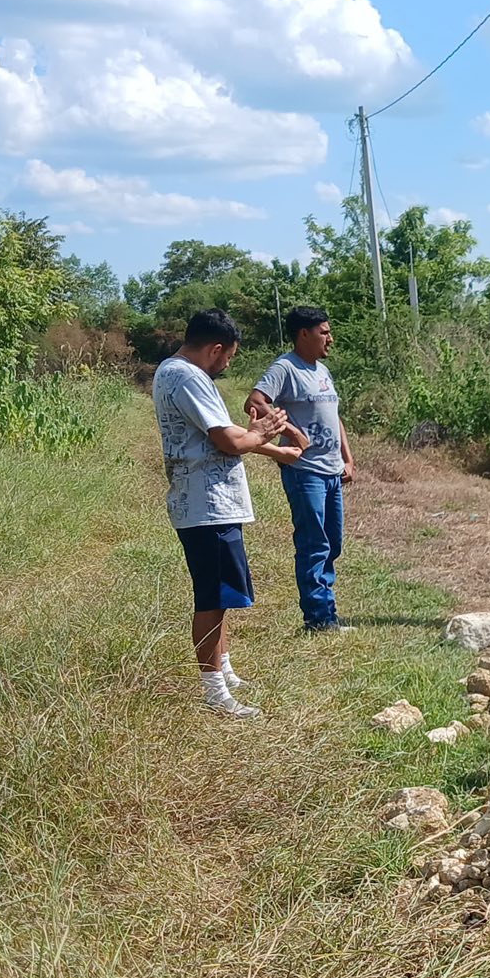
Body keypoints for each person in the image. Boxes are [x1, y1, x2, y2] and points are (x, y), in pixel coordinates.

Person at [152, 307, 307, 718]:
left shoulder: (174, 372)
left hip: (206, 503)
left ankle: (223, 668)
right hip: (207, 505)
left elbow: (229, 435)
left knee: (221, 596)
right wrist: (264, 432)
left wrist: (274, 450)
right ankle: (215, 692)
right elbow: (230, 441)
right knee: (212, 597)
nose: (227, 365)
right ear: (216, 348)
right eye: (229, 357)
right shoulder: (188, 377)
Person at [247, 306, 355, 635]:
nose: (330, 338)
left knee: (332, 543)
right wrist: (292, 432)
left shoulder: (322, 370)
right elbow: (255, 401)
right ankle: (319, 619)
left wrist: (347, 457)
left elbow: (333, 415)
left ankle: (326, 611)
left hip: (332, 471)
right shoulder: (286, 368)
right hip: (305, 471)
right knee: (314, 543)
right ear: (304, 334)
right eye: (324, 332)